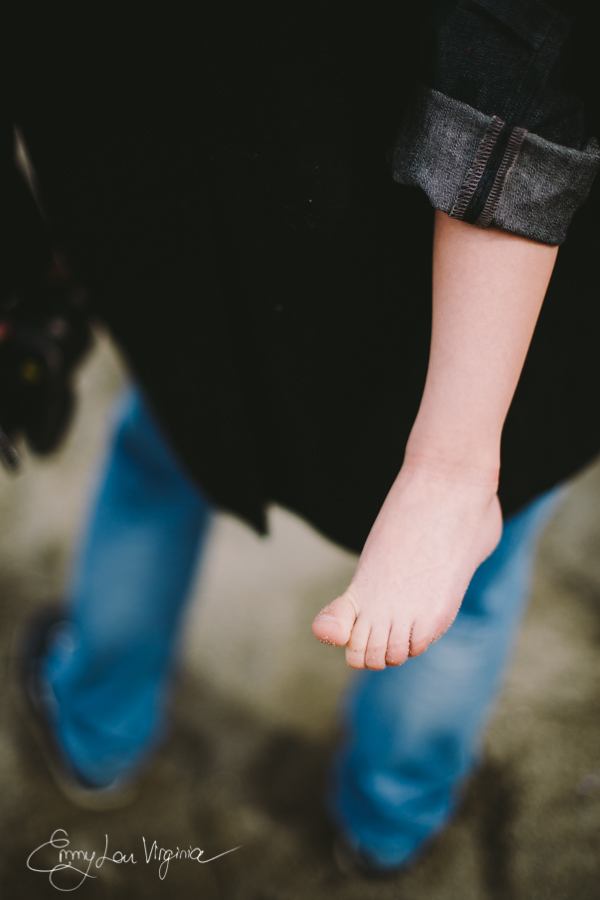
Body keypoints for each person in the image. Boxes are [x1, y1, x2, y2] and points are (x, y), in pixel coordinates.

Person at [8, 0, 600, 877]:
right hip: (460, 307)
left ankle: (96, 729)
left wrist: (31, 262)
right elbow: (524, 51)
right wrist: (453, 457)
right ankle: (390, 819)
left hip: (189, 231)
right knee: (469, 584)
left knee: (155, 464)